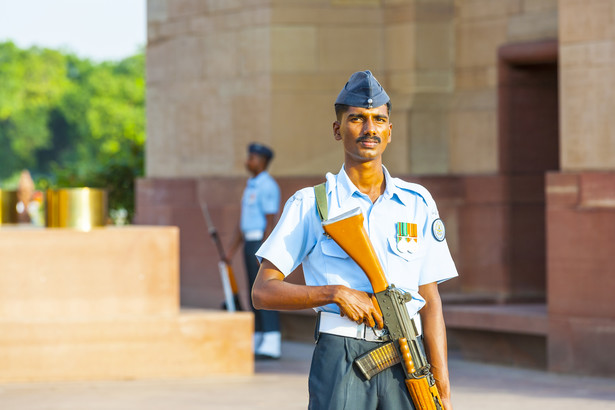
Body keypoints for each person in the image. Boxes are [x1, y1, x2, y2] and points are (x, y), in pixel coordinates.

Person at [252, 71, 458, 409]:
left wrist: (443, 385)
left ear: (390, 130)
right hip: (341, 355)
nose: (369, 129)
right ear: (338, 129)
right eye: (357, 119)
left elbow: (430, 299)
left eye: (379, 119)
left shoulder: (417, 202)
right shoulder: (313, 204)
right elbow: (262, 291)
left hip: (409, 358)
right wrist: (334, 293)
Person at [226, 142, 282, 360]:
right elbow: (243, 223)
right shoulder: (251, 185)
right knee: (253, 291)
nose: (248, 161)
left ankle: (272, 339)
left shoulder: (268, 186)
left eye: (252, 158)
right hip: (249, 242)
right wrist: (230, 250)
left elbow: (270, 222)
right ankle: (260, 338)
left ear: (262, 161)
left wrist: (266, 252)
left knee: (265, 291)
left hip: (260, 242)